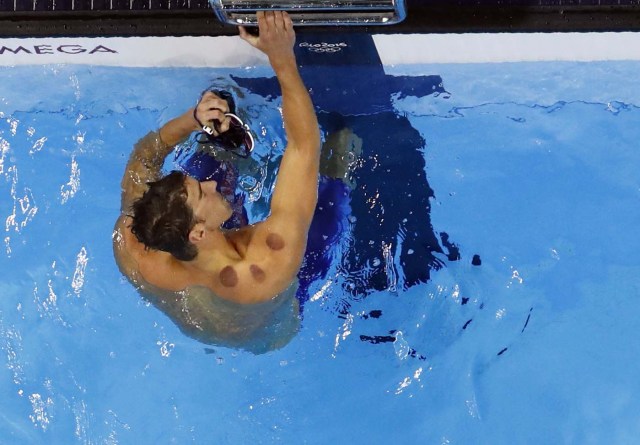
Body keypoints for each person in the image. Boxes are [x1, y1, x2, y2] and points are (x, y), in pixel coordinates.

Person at [112, 11, 321, 353]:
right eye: (200, 191)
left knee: (211, 155)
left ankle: (216, 128)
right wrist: (282, 59)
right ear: (197, 232)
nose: (208, 185)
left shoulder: (137, 246)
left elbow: (143, 160)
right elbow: (304, 147)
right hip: (272, 326)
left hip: (206, 315)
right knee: (335, 169)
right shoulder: (267, 265)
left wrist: (192, 120)